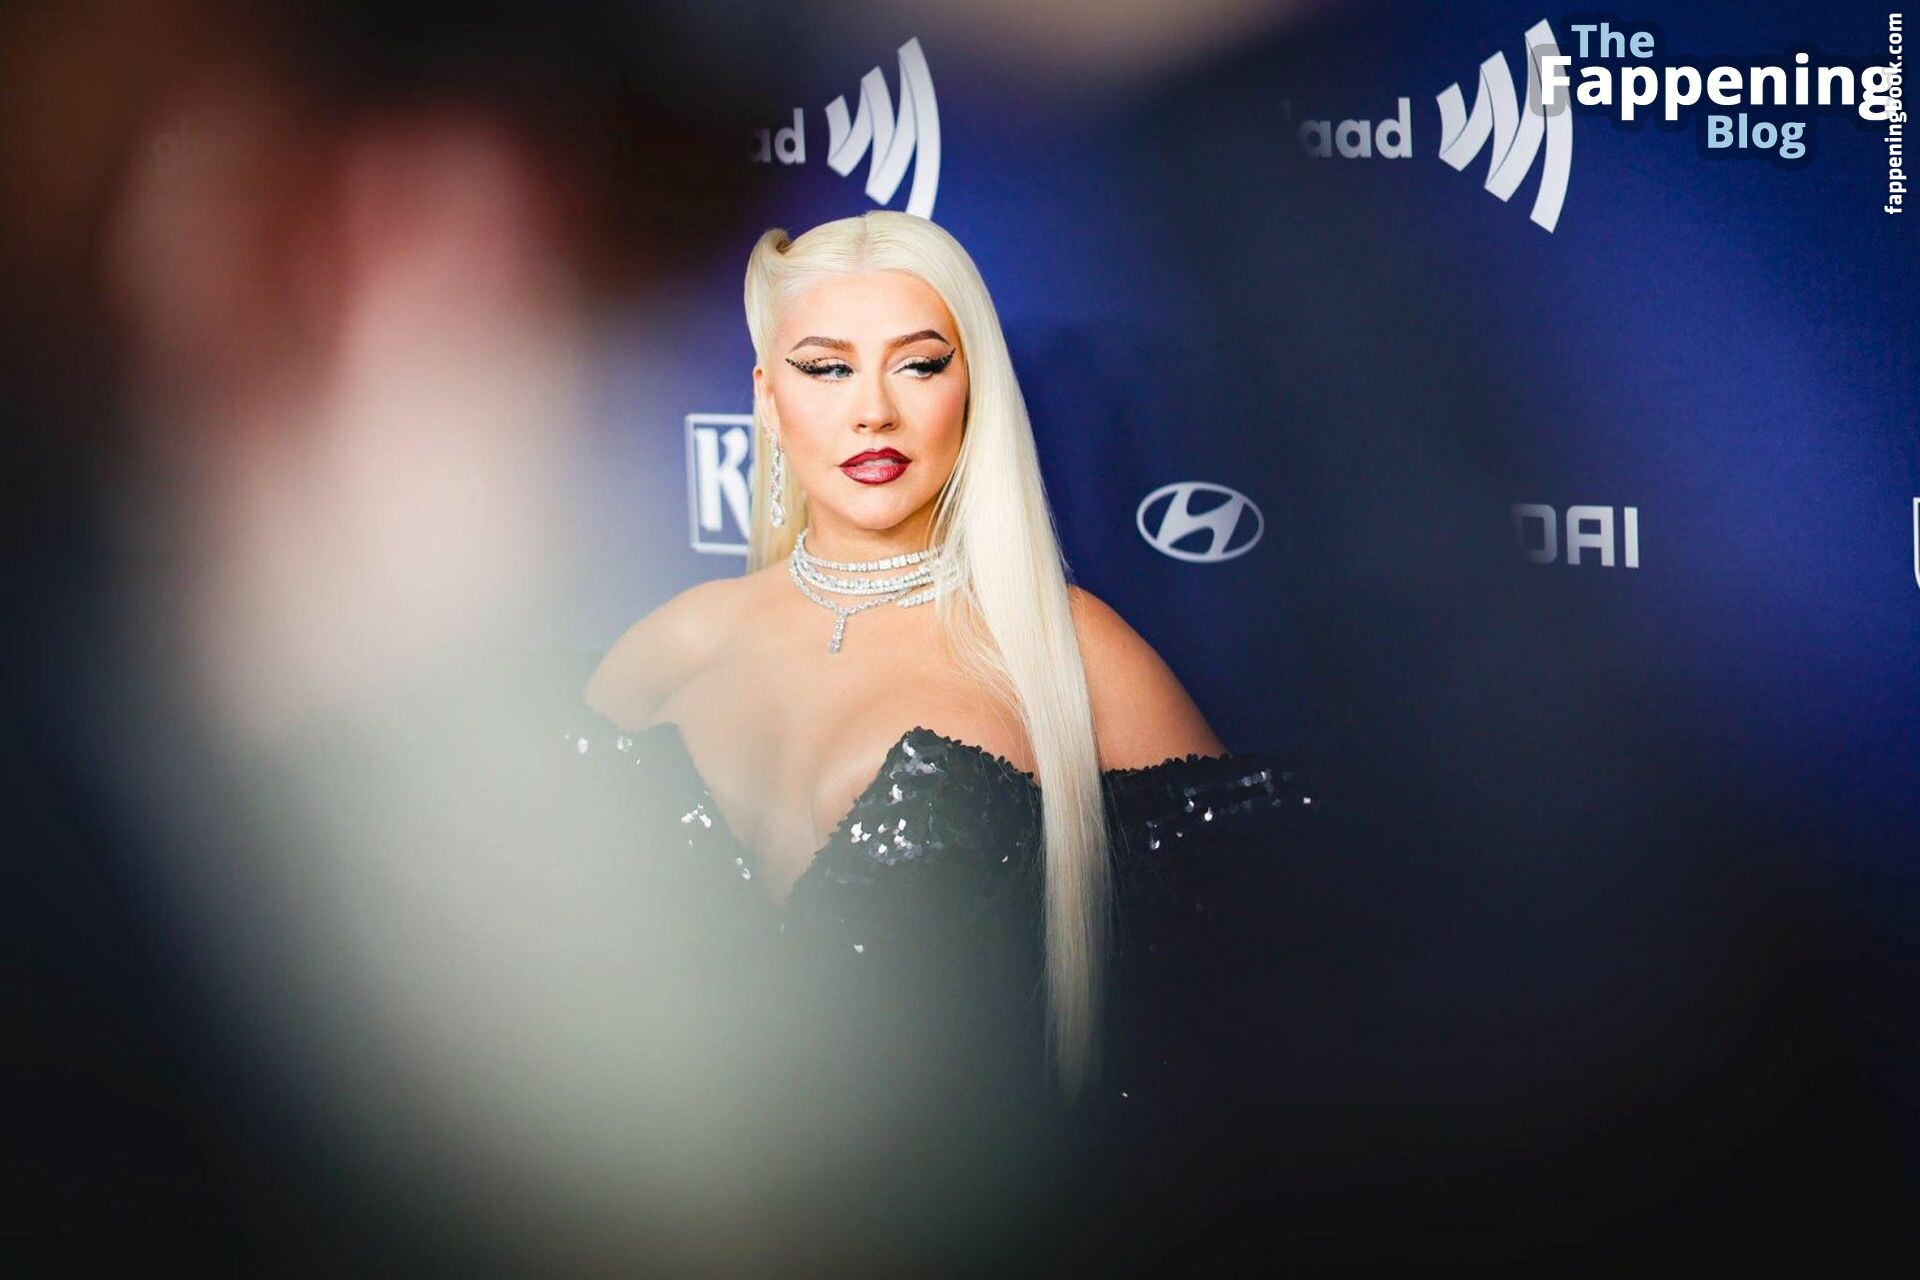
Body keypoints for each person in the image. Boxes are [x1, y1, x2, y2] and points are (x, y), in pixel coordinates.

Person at [566, 211, 1316, 1272]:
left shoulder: (1070, 654)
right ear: (768, 398)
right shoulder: (667, 650)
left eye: (918, 364)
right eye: (826, 367)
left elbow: (1251, 1020)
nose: (873, 408)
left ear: (973, 390)